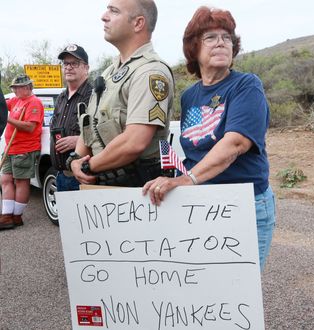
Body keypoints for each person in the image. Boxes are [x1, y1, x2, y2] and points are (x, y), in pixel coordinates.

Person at [143, 6, 276, 271]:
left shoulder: (246, 85)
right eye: (211, 37)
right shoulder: (189, 96)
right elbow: (194, 151)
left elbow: (235, 144)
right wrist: (174, 181)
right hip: (201, 203)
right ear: (194, 48)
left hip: (244, 204)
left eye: (227, 37)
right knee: (206, 284)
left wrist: (185, 180)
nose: (221, 43)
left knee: (238, 288)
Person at [68, 0, 174, 187]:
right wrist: (76, 160)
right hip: (103, 185)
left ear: (138, 23)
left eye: (114, 11)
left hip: (136, 190)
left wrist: (87, 166)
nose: (104, 16)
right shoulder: (109, 74)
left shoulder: (150, 72)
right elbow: (89, 126)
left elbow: (134, 142)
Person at [0, 74, 44, 230]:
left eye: (17, 88)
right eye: (13, 88)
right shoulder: (17, 100)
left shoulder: (34, 103)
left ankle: (16, 217)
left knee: (21, 182)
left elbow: (30, 127)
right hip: (10, 148)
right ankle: (6, 215)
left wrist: (7, 118)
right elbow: (3, 105)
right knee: (5, 180)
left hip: (24, 149)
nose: (14, 90)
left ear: (27, 87)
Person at [50, 44, 92, 191]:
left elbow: (107, 133)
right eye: (66, 63)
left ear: (86, 68)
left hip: (85, 176)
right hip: (61, 176)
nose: (68, 67)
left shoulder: (95, 95)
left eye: (74, 63)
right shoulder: (61, 98)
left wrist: (79, 140)